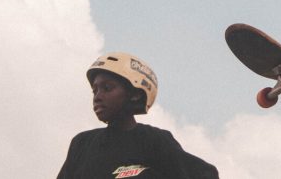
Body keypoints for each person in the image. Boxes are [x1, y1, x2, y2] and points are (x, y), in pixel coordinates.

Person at [57, 52, 219, 179]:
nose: (98, 96)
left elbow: (205, 175)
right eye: (95, 90)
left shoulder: (154, 141)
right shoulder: (82, 144)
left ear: (134, 94)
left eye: (107, 88)